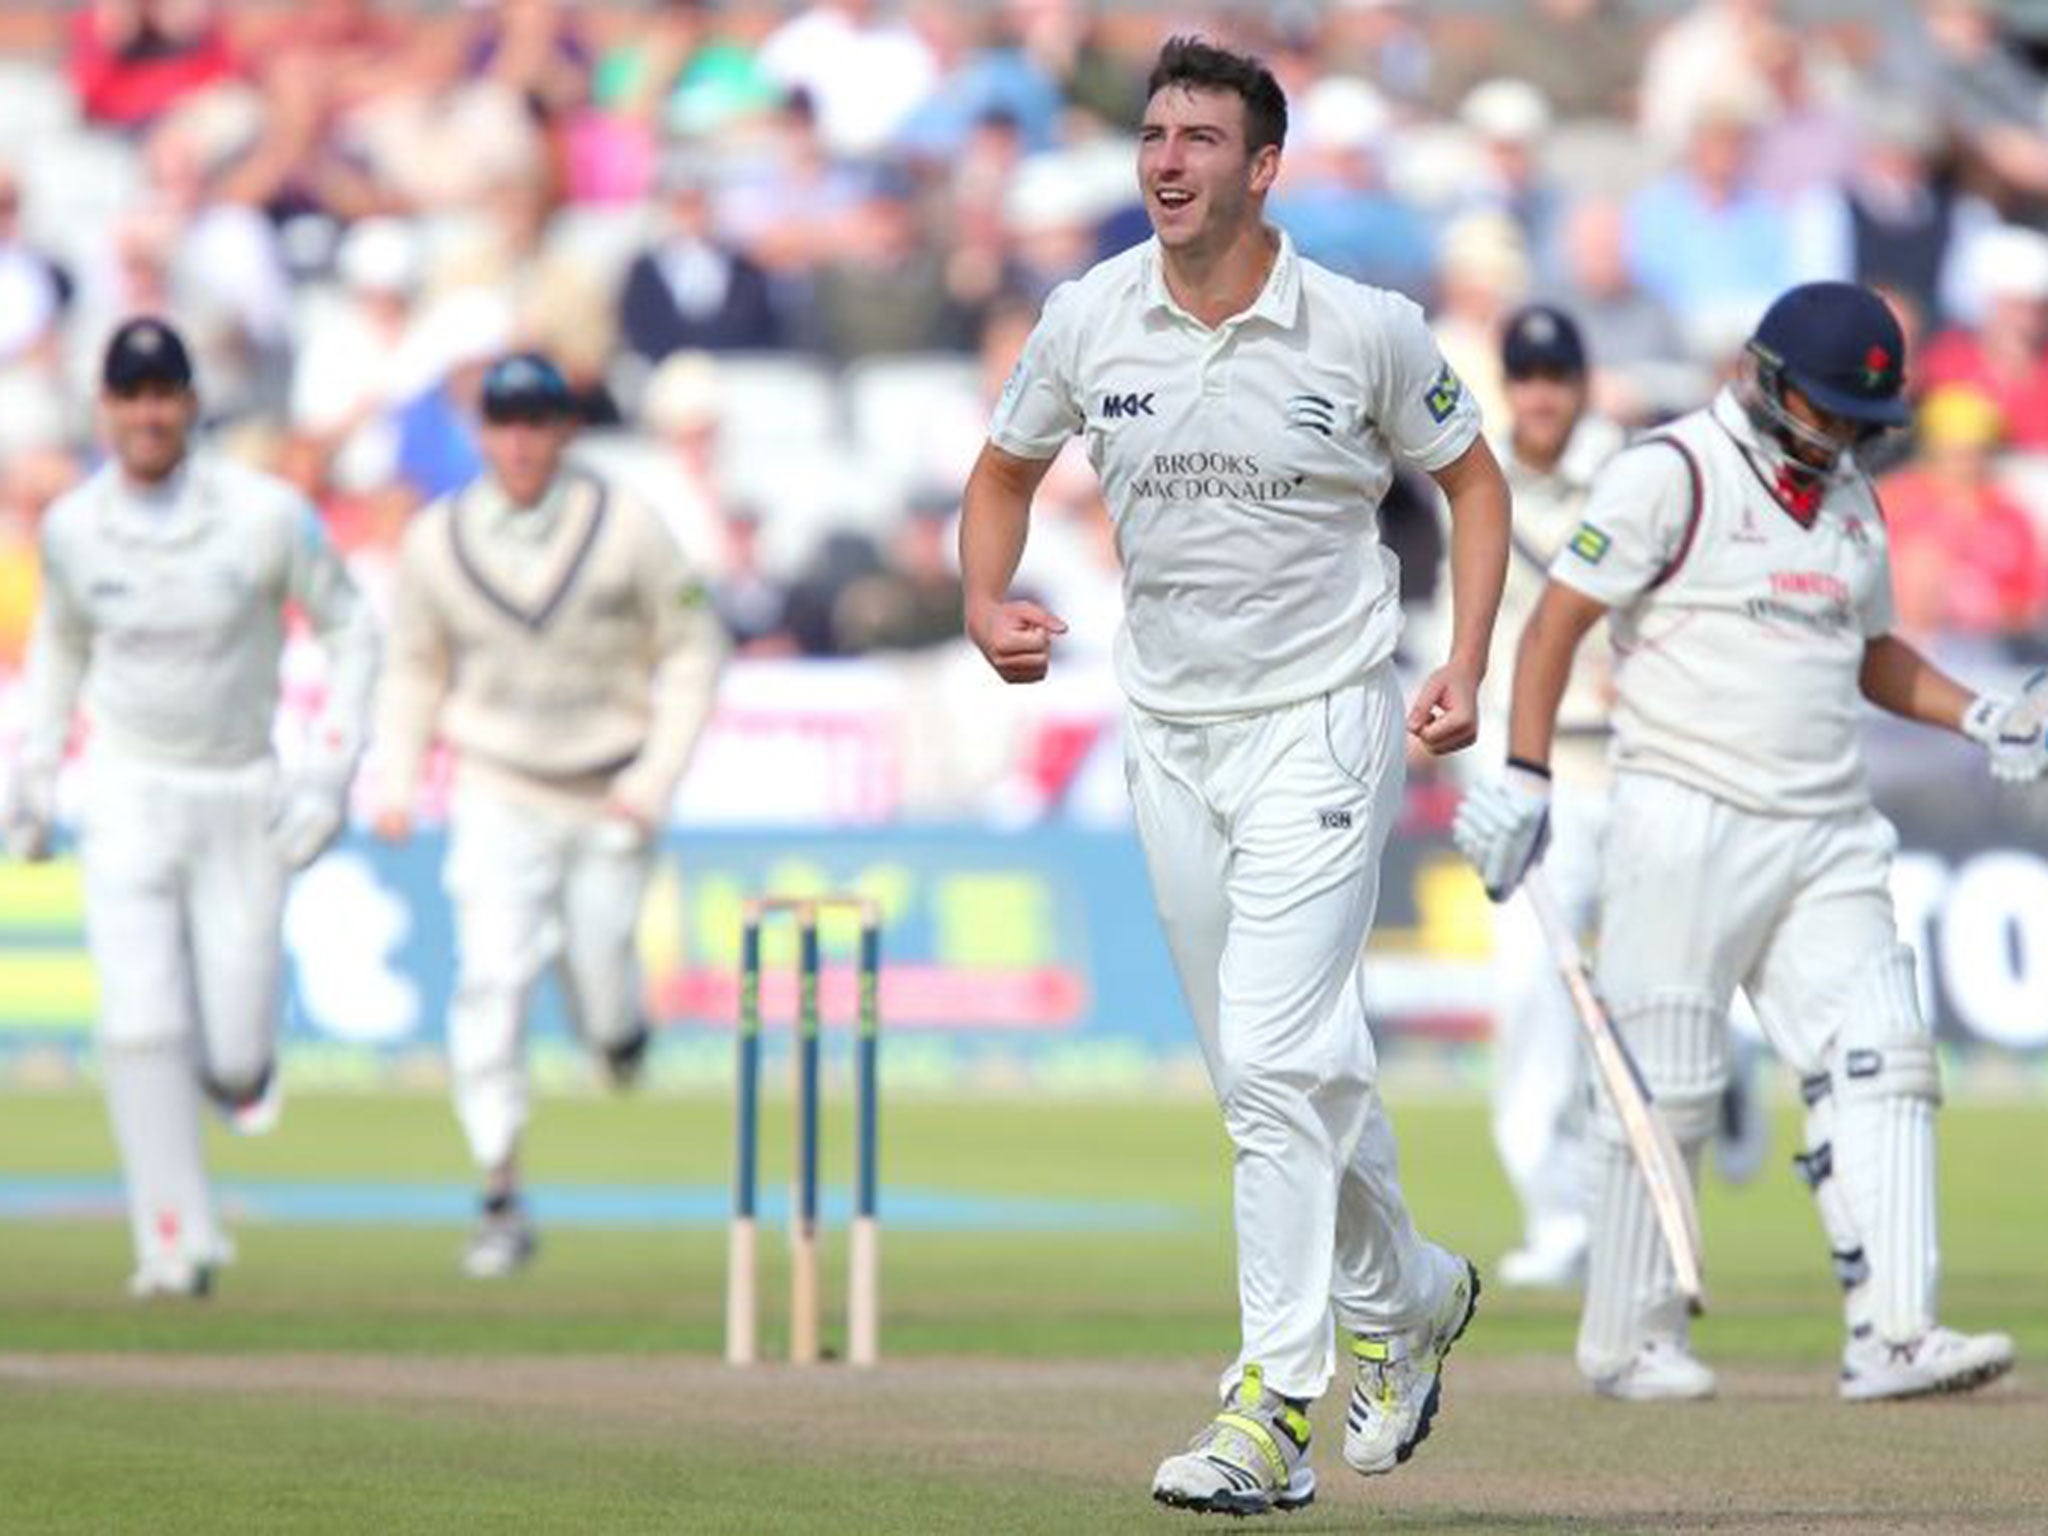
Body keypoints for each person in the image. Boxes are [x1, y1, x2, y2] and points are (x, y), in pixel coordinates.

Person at [960, 37, 1511, 1517]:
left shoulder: (1365, 327)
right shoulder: (1091, 314)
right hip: (1170, 728)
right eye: (1154, 134)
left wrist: (1462, 658)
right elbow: (1004, 469)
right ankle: (1415, 1295)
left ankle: (1272, 1403)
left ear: (1264, 168)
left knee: (1277, 1063)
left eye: (1201, 137)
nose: (1167, 159)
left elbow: (1470, 478)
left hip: (1326, 720)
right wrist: (983, 597)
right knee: (1278, 1075)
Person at [1454, 281, 2037, 1403]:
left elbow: (1870, 652)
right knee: (1664, 1079)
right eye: (1826, 412)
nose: (1843, 436)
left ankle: (1892, 1332)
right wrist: (1522, 781)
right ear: (1765, 383)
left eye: (1859, 420)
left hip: (1826, 828)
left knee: (1883, 1063)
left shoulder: (1853, 499)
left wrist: (1980, 713)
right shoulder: (1665, 474)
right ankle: (1629, 1338)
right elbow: (1555, 627)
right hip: (1682, 814)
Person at [3, 316, 378, 1298]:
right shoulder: (76, 527)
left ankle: (244, 1077)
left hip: (240, 786)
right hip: (127, 787)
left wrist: (329, 770)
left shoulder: (266, 517)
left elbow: (351, 630)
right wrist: (33, 773)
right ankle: (172, 1239)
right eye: (129, 396)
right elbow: (58, 653)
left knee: (235, 1049)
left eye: (163, 393)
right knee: (137, 1017)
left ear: (191, 402)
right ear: (104, 407)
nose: (147, 413)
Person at [371, 351, 726, 1280]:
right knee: (491, 978)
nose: (522, 439)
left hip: (607, 786)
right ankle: (498, 1192)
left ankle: (616, 1034)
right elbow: (412, 666)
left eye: (539, 420)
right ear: (483, 431)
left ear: (566, 428)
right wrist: (398, 776)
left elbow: (693, 649)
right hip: (497, 787)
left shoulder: (626, 526)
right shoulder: (437, 539)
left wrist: (655, 776)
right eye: (505, 421)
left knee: (604, 980)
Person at [1472, 304, 1623, 1288]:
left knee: (1659, 992)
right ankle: (1558, 1219)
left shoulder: (1633, 473)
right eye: (1521, 377)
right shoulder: (1471, 473)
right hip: (1532, 769)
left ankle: (1731, 1086)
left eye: (1553, 376)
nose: (1537, 396)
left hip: (1645, 761)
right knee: (1531, 993)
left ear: (1579, 382)